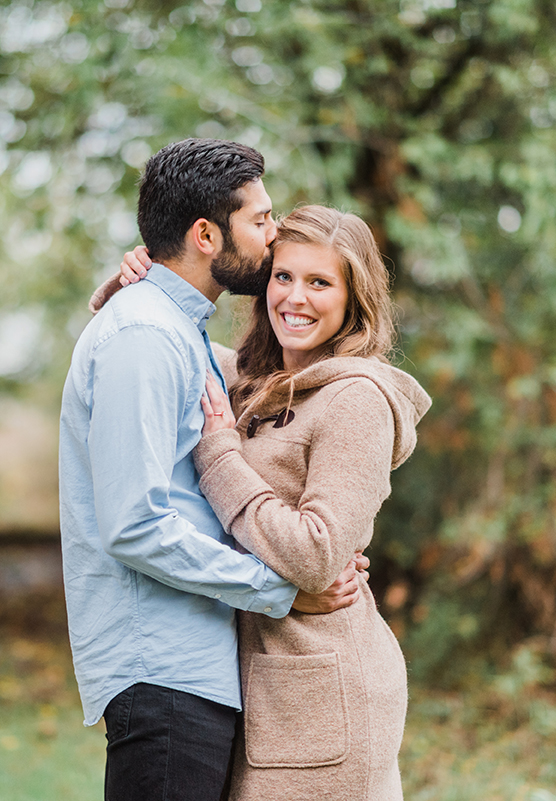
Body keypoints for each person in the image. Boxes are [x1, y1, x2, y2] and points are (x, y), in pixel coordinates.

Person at [59, 139, 368, 801]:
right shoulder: (145, 336)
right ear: (205, 234)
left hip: (193, 665)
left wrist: (120, 289)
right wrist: (280, 590)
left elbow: (251, 376)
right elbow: (135, 526)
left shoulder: (174, 332)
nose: (274, 232)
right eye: (259, 219)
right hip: (162, 667)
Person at [112, 204, 431, 799]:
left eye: (320, 282)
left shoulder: (355, 402)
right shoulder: (249, 383)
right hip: (263, 689)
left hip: (323, 689)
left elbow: (317, 555)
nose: (296, 298)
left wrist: (219, 456)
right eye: (284, 277)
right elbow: (169, 350)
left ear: (353, 297)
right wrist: (142, 282)